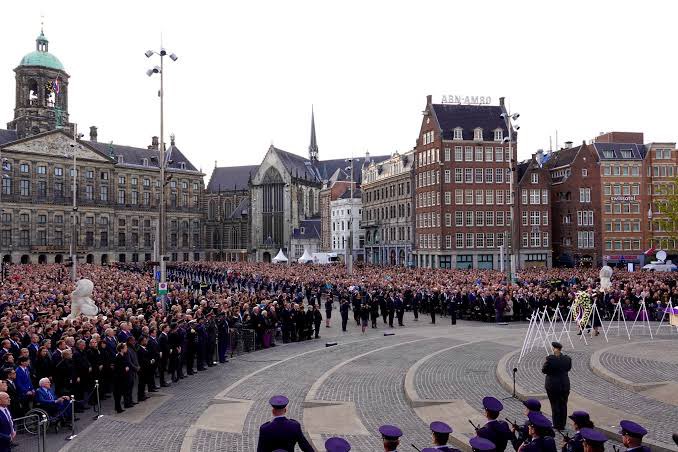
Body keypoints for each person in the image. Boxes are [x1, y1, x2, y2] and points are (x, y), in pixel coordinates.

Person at [542, 341, 571, 431]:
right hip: (564, 385)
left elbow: (544, 370)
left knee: (554, 405)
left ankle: (556, 424)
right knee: (563, 404)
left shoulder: (550, 359)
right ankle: (562, 424)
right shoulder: (567, 359)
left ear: (555, 349)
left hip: (552, 385)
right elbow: (568, 368)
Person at [113, 343, 130, 413]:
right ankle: (118, 407)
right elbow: (117, 369)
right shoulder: (118, 357)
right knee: (118, 394)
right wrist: (125, 369)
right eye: (125, 348)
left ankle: (118, 407)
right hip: (118, 379)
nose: (126, 349)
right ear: (121, 349)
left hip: (123, 377)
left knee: (121, 393)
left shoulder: (124, 355)